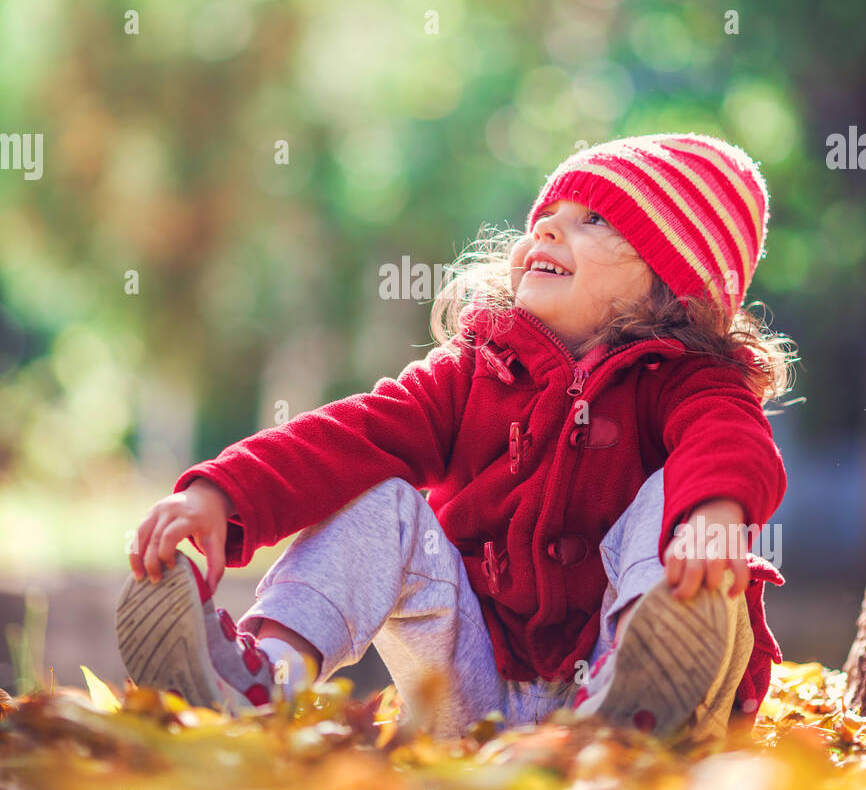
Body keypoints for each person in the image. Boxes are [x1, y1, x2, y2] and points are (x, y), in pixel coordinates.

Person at [117, 133, 794, 742]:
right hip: (477, 694)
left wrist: (714, 514)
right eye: (546, 220)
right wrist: (225, 492)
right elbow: (354, 433)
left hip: (626, 690)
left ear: (672, 290)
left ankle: (637, 689)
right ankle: (264, 681)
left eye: (592, 221)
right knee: (378, 501)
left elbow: (732, 442)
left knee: (678, 495)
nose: (549, 234)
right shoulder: (477, 370)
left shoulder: (689, 380)